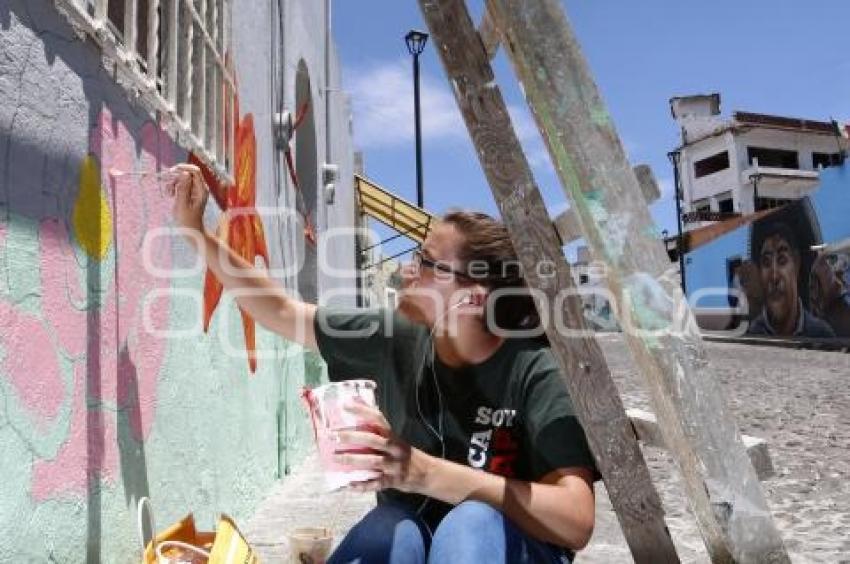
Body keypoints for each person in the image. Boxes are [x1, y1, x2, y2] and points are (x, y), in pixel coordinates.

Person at [170, 165, 598, 563]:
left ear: (473, 296)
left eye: (428, 264)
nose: (407, 271)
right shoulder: (395, 336)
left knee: (471, 522)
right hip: (419, 538)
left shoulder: (533, 368)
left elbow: (576, 521)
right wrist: (197, 232)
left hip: (509, 547)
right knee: (389, 527)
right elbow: (281, 312)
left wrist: (426, 473)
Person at [747, 220, 834, 338]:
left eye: (782, 260)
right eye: (766, 263)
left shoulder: (822, 334)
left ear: (797, 264)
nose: (774, 276)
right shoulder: (751, 334)